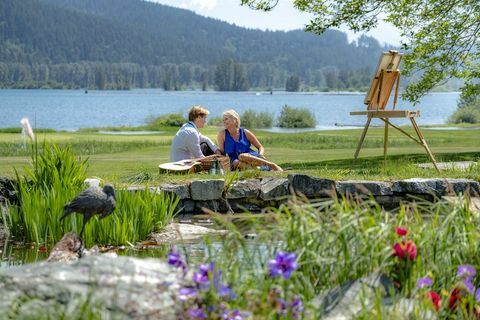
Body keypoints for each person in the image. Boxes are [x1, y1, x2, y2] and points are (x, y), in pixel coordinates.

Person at [217, 109, 282, 171]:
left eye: (226, 119)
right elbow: (222, 153)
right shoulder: (222, 134)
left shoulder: (245, 132)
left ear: (235, 120)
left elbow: (260, 147)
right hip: (235, 162)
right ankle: (259, 169)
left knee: (242, 156)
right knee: (235, 162)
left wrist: (260, 155)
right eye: (223, 120)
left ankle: (270, 165)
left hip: (250, 157)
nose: (224, 122)